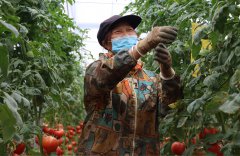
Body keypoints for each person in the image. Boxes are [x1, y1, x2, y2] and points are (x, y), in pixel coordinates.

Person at [77, 14, 183, 155]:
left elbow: (169, 108)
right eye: (118, 32)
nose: (126, 34)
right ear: (106, 43)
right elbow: (107, 75)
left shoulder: (151, 79)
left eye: (130, 30)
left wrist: (167, 70)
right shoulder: (96, 70)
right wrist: (143, 46)